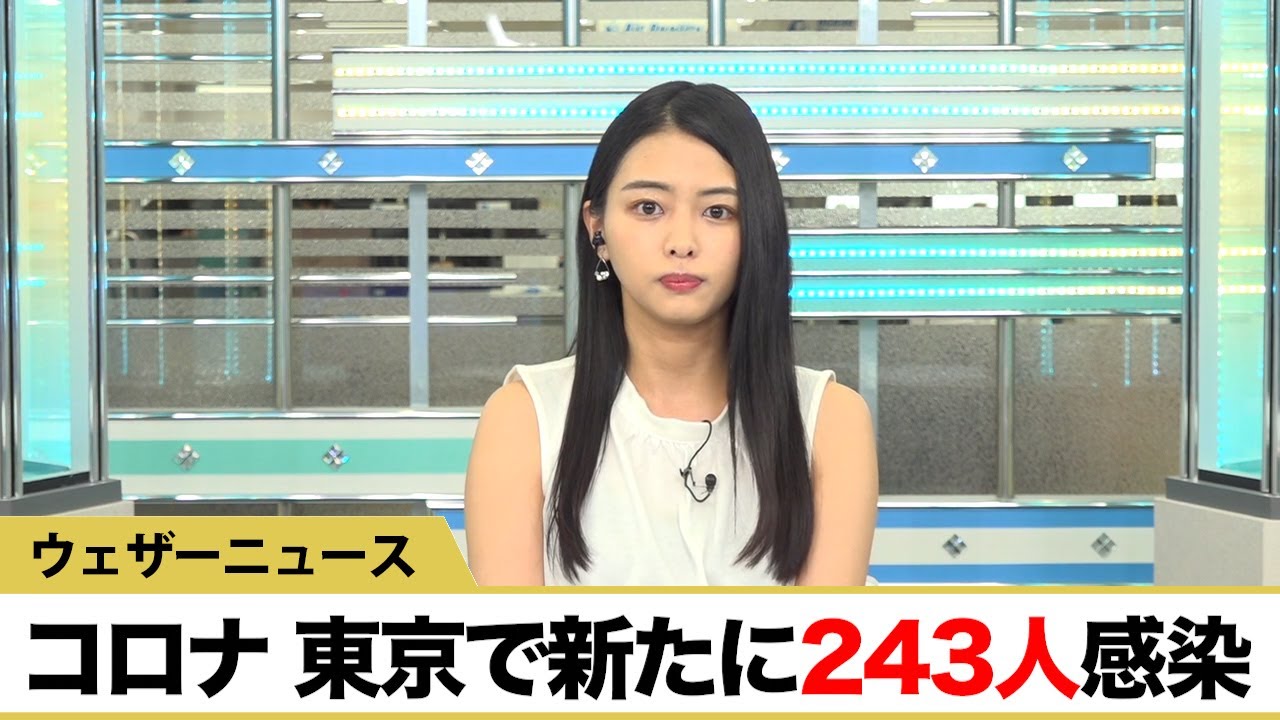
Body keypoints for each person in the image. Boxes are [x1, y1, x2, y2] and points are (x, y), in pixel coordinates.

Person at [464, 81, 878, 586]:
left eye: (718, 212)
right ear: (598, 229)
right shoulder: (524, 419)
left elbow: (823, 635)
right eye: (648, 208)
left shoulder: (830, 422)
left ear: (758, 231)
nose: (682, 242)